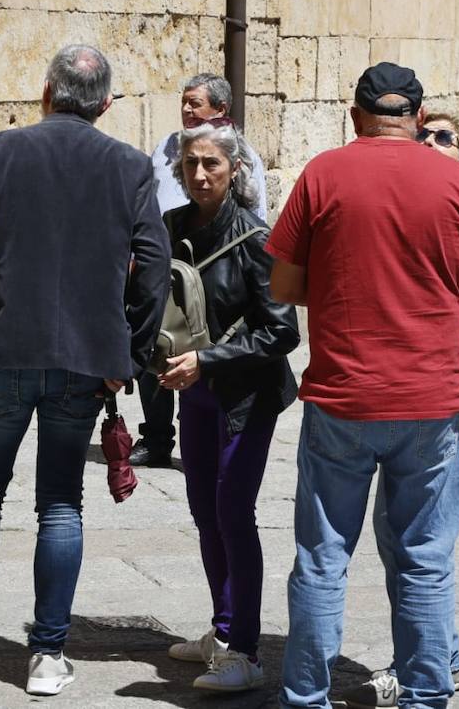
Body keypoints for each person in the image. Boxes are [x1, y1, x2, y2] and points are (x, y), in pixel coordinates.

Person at [0, 45, 170, 695]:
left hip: (7, 352)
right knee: (61, 501)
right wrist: (131, 356)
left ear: (44, 91)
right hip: (84, 361)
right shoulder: (132, 167)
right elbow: (156, 272)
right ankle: (46, 655)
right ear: (107, 104)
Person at [269, 63, 459, 709]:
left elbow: (285, 287)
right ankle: (426, 695)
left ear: (356, 116)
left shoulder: (324, 173)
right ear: (418, 112)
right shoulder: (457, 179)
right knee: (424, 557)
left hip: (343, 395)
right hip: (432, 399)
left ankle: (306, 697)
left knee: (322, 557)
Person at [342, 109, 459, 708]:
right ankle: (437, 659)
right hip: (412, 394)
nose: (431, 143)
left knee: (420, 548)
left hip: (443, 397)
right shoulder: (425, 207)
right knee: (405, 544)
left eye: (445, 137)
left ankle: (424, 668)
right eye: (426, 134)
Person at [160, 120, 299, 693]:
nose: (199, 174)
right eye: (190, 163)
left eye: (211, 164)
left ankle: (245, 649)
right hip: (192, 396)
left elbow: (281, 332)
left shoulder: (255, 238)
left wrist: (208, 361)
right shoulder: (170, 228)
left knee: (232, 512)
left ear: (234, 169)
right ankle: (221, 631)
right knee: (202, 510)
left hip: (244, 398)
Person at [133, 74, 268, 468]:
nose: (188, 109)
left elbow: (253, 209)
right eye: (185, 102)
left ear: (220, 110)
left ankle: (208, 422)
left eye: (196, 103)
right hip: (169, 255)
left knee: (201, 346)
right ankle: (157, 436)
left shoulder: (243, 152)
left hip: (216, 264)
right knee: (156, 344)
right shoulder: (165, 147)